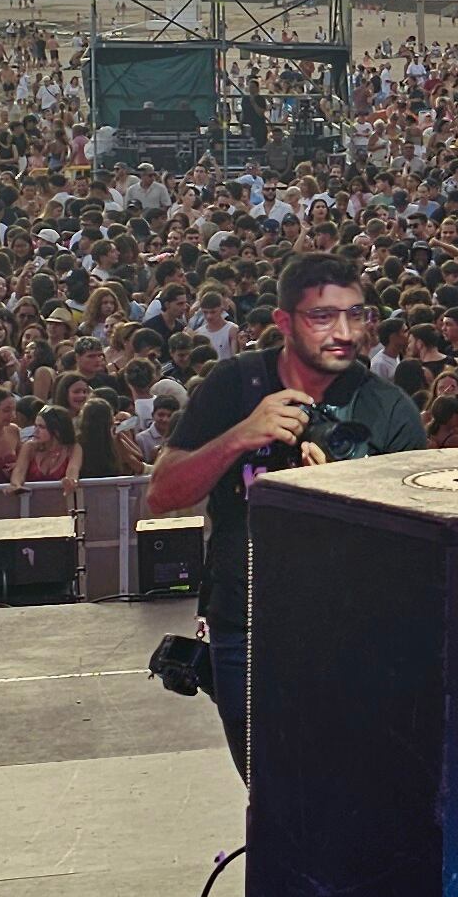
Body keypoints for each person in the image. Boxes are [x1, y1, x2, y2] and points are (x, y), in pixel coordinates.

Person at [143, 251, 426, 776]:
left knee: (353, 794)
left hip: (355, 635)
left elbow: (416, 547)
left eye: (355, 314)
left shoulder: (389, 409)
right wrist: (239, 438)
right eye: (323, 316)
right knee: (273, 799)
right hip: (246, 628)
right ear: (283, 323)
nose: (343, 331)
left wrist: (337, 489)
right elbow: (162, 494)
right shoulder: (233, 385)